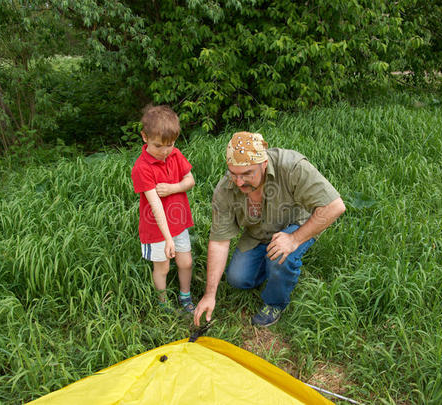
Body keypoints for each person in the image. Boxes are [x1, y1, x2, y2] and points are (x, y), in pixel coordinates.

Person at [194, 131, 345, 327]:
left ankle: (275, 302)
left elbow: (335, 206)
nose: (239, 182)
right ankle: (271, 263)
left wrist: (294, 239)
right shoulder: (225, 189)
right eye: (234, 173)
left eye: (247, 174)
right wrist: (209, 294)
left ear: (264, 164)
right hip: (258, 234)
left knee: (282, 256)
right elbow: (219, 242)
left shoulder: (291, 166)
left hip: (296, 225)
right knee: (238, 279)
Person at [131, 105, 196, 313]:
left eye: (170, 145)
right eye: (159, 146)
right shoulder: (142, 168)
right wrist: (167, 238)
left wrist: (172, 188)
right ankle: (163, 303)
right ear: (144, 137)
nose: (165, 151)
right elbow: (155, 204)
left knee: (185, 262)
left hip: (179, 222)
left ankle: (185, 297)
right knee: (163, 267)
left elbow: (190, 180)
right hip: (156, 229)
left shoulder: (174, 155)